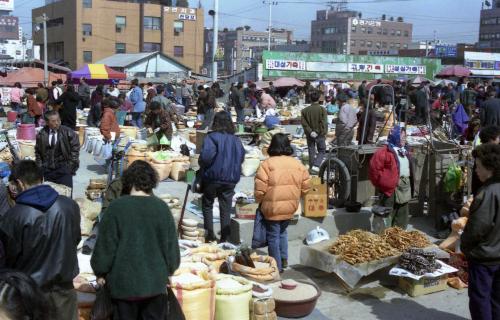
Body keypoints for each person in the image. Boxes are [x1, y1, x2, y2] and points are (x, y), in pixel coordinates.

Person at [91, 160, 180, 319]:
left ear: (128, 180)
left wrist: (100, 272)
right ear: (152, 181)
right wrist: (169, 270)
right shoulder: (162, 209)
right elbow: (172, 253)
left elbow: (105, 249)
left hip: (122, 288)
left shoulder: (116, 208)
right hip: (155, 287)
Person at [0, 160, 81, 320]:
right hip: (65, 294)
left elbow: (7, 259)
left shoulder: (13, 216)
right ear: (42, 179)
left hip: (30, 297)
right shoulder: (70, 206)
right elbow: (75, 240)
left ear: (20, 183)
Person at [255, 133, 310, 272]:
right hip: (290, 207)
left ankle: (276, 266)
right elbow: (306, 187)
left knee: (273, 236)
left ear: (272, 146)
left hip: (272, 207)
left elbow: (260, 190)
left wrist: (259, 202)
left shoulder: (267, 164)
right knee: (283, 232)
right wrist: (296, 196)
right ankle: (284, 259)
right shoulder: (297, 164)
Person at [461, 143, 500, 320]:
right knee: (496, 299)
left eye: (478, 166)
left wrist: (465, 246)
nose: (476, 170)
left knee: (480, 299)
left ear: (489, 168)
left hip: (484, 257)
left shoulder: (487, 192)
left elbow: (477, 228)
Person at [199, 111, 245, 243]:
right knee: (225, 207)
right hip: (230, 179)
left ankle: (209, 235)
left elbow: (206, 157)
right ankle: (225, 238)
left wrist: (201, 165)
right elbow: (241, 157)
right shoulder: (236, 140)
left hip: (212, 177)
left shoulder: (212, 137)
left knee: (207, 204)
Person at [369, 126, 414, 230]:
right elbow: (374, 171)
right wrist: (383, 184)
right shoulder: (384, 152)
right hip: (389, 189)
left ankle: (398, 236)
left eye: (405, 137)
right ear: (395, 137)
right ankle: (385, 236)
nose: (404, 140)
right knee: (388, 213)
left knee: (402, 212)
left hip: (404, 187)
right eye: (401, 137)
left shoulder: (404, 151)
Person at [35, 111, 80, 189]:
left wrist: (70, 167)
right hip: (47, 170)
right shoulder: (41, 134)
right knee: (50, 195)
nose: (57, 123)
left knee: (66, 195)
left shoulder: (68, 132)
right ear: (47, 122)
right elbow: (38, 151)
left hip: (64, 169)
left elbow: (75, 150)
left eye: (58, 120)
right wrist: (40, 167)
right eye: (53, 121)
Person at [301, 90, 327, 173]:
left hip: (310, 134)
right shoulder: (322, 109)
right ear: (319, 99)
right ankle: (316, 165)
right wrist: (319, 131)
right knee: (322, 150)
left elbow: (304, 123)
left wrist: (311, 131)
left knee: (311, 150)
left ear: (310, 99)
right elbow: (323, 123)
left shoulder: (304, 110)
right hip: (320, 134)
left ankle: (312, 167)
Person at [471, 125, 500, 196]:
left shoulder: (480, 152)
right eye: (498, 137)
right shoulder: (489, 155)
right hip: (486, 193)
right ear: (492, 139)